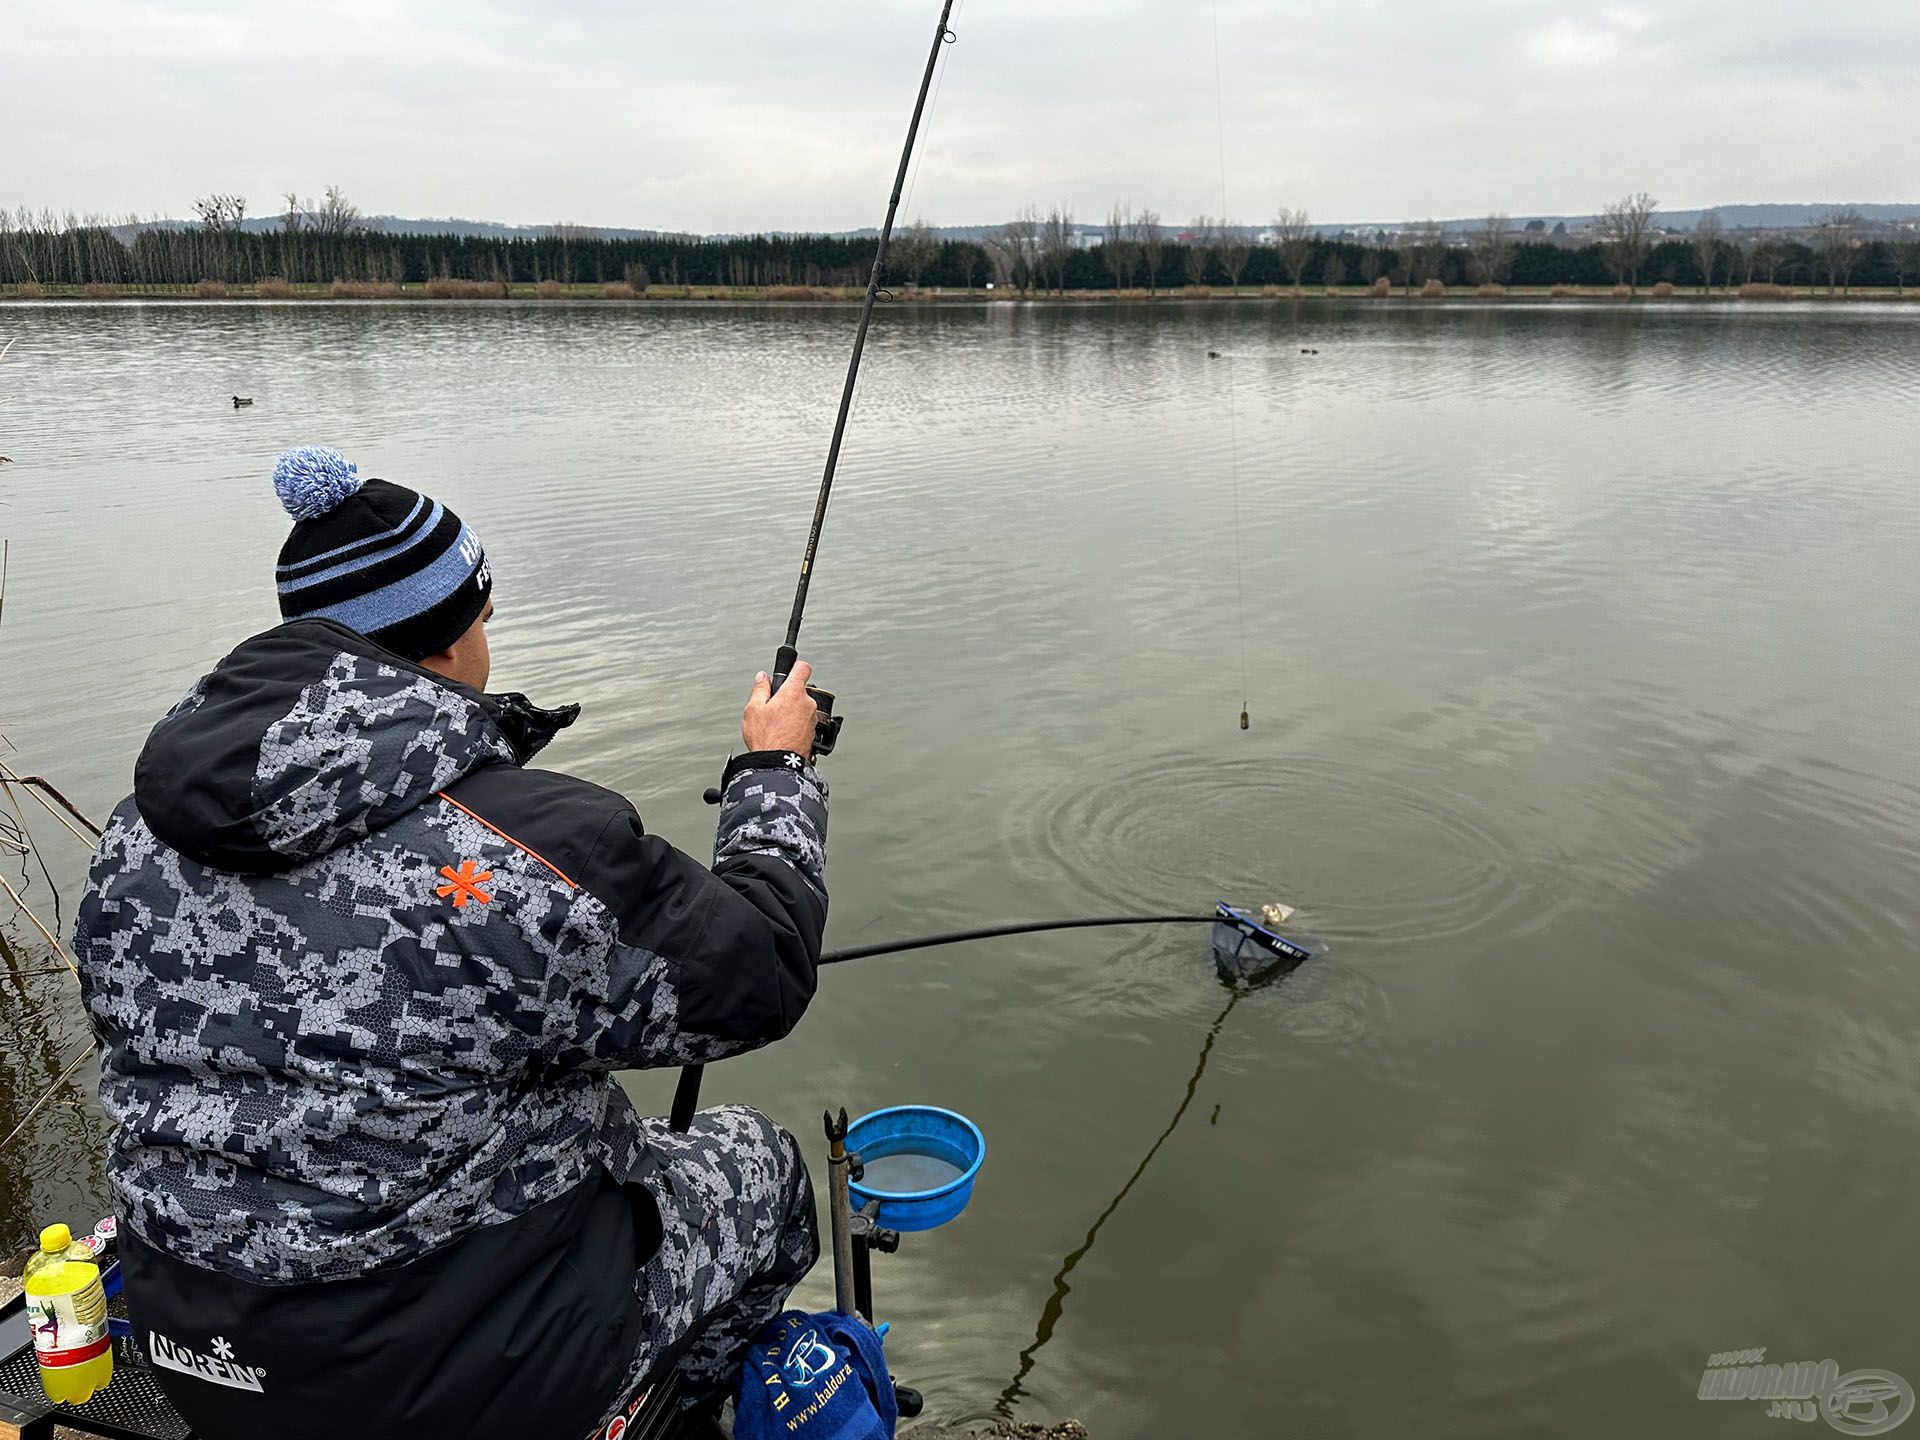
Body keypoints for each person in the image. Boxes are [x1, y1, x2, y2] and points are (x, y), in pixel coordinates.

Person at [73, 445, 828, 1440]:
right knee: (763, 1167)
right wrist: (773, 774)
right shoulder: (524, 845)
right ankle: (674, 1413)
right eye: (486, 611)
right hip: (445, 1378)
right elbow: (760, 973)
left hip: (194, 1349)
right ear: (447, 643)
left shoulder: (137, 828)